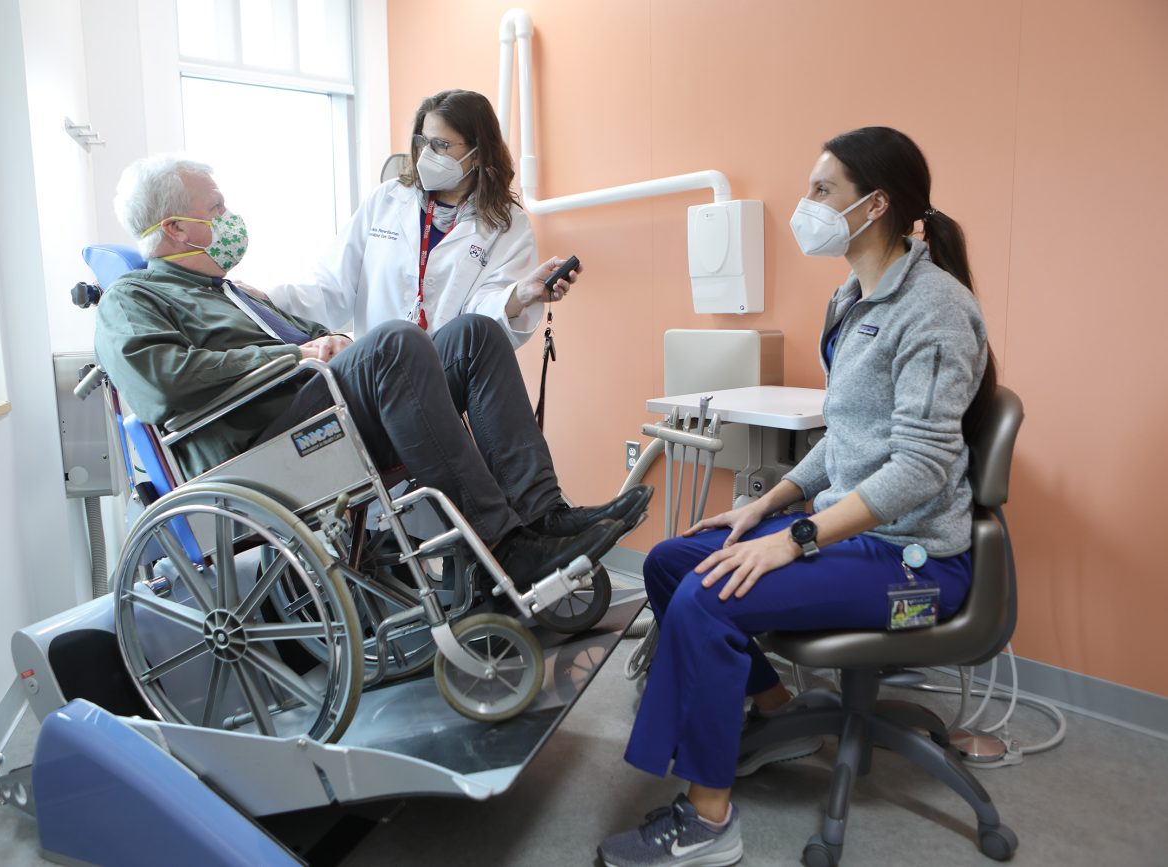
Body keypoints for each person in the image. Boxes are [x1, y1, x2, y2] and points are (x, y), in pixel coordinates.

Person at [597, 127, 996, 867]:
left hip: (915, 560)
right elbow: (844, 441)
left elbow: (920, 468)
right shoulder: (850, 298)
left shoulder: (935, 309)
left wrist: (796, 537)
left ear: (873, 206)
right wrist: (769, 502)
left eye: (822, 191)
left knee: (709, 594)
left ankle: (709, 822)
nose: (805, 205)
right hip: (852, 533)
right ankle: (782, 718)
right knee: (669, 563)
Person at [96, 154, 651, 590]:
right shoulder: (132, 298)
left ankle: (543, 515)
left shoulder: (233, 292)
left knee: (474, 336)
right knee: (393, 342)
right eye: (216, 210)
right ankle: (504, 549)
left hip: (314, 413)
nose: (228, 219)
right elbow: (159, 383)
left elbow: (313, 330)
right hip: (258, 452)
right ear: (176, 228)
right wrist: (293, 356)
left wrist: (319, 346)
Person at [266, 89, 576, 347]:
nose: (427, 155)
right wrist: (262, 300)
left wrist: (521, 293)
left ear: (479, 152)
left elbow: (480, 326)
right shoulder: (386, 201)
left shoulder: (506, 225)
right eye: (423, 142)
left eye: (441, 145)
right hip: (375, 368)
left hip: (443, 378)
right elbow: (330, 286)